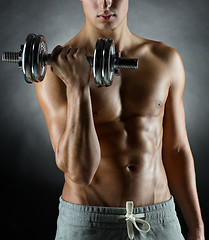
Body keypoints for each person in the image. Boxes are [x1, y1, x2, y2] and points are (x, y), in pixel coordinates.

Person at [34, 0, 205, 239]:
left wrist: (197, 227)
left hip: (159, 221)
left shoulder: (165, 60)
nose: (105, 3)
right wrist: (77, 87)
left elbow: (176, 151)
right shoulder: (53, 72)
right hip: (88, 224)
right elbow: (79, 172)